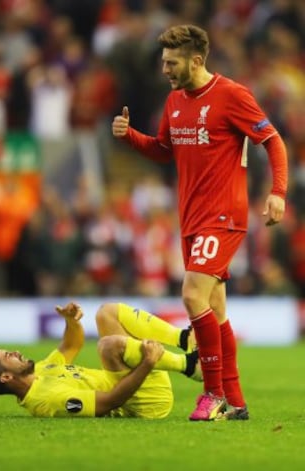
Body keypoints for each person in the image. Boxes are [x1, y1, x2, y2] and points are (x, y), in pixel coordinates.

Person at [112, 24, 288, 421]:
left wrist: (277, 191)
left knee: (192, 296)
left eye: (171, 63)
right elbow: (163, 150)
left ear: (196, 60)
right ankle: (237, 401)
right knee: (215, 308)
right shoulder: (174, 101)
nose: (165, 70)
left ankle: (214, 395)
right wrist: (129, 137)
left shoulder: (231, 95)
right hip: (191, 218)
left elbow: (273, 141)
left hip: (223, 214)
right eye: (162, 63)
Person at [0, 301, 202, 419]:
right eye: (7, 356)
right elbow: (109, 402)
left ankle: (185, 338)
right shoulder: (47, 401)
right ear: (6, 377)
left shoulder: (40, 370)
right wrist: (147, 364)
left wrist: (71, 321)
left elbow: (71, 345)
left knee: (106, 313)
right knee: (108, 346)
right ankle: (188, 365)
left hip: (140, 381)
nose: (15, 352)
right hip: (144, 405)